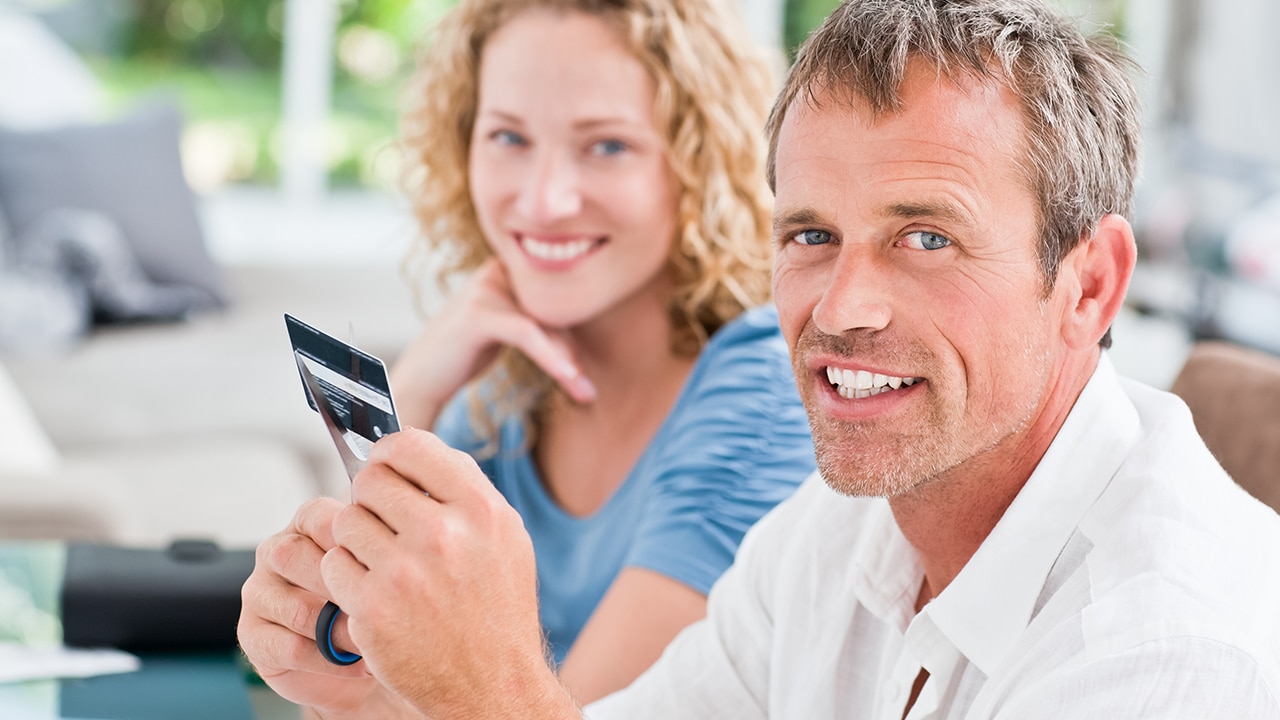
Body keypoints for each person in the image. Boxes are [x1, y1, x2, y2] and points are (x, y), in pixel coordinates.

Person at [244, 0, 1280, 717]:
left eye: (926, 238)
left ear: (1088, 284)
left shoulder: (1161, 654)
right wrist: (383, 693)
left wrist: (485, 693)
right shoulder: (834, 539)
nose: (843, 306)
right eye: (809, 235)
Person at [237, 0, 815, 712]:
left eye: (606, 146)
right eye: (509, 137)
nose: (544, 200)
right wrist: (414, 386)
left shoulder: (760, 391)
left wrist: (364, 697)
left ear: (695, 162)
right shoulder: (496, 404)